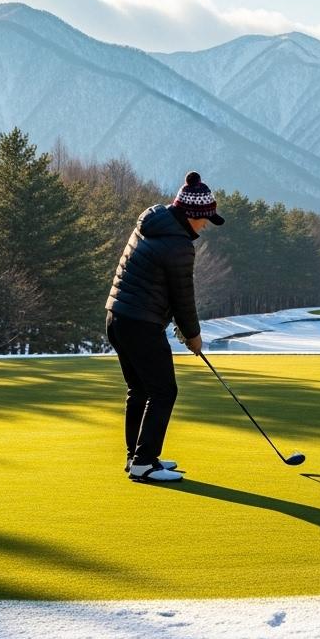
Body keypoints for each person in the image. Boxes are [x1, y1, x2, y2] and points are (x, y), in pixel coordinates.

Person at [105, 171, 224, 483]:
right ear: (190, 216)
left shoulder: (151, 224)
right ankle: (144, 463)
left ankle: (137, 457)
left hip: (117, 318)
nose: (204, 226)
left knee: (140, 389)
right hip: (140, 324)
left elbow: (159, 288)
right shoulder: (179, 245)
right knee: (164, 391)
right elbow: (183, 297)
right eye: (203, 220)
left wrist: (179, 326)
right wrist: (194, 337)